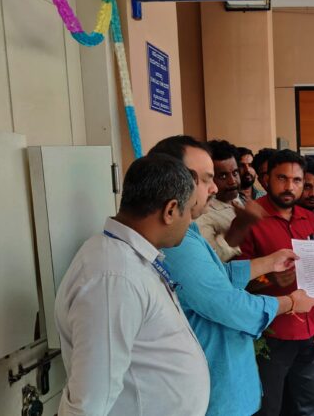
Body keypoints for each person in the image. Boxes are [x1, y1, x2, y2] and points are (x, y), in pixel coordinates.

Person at [150, 136, 314, 416]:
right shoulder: (178, 243)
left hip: (230, 379)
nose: (215, 188)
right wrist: (290, 302)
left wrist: (268, 262)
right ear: (176, 181)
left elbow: (219, 275)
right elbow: (230, 305)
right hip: (216, 388)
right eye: (207, 179)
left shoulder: (188, 232)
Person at [55, 154, 210, 416]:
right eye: (189, 211)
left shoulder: (129, 258)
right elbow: (90, 402)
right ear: (171, 210)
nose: (190, 222)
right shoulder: (114, 277)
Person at [238, 149, 314, 416]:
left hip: (311, 331)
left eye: (297, 180)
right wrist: (269, 279)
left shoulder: (310, 219)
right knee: (268, 407)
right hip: (271, 332)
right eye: (282, 178)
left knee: (309, 405)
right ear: (267, 178)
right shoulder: (250, 219)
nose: (290, 186)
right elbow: (235, 283)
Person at [197, 140, 265, 262]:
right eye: (223, 176)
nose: (232, 181)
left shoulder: (239, 199)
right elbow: (210, 260)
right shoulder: (201, 214)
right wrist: (240, 226)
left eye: (235, 173)